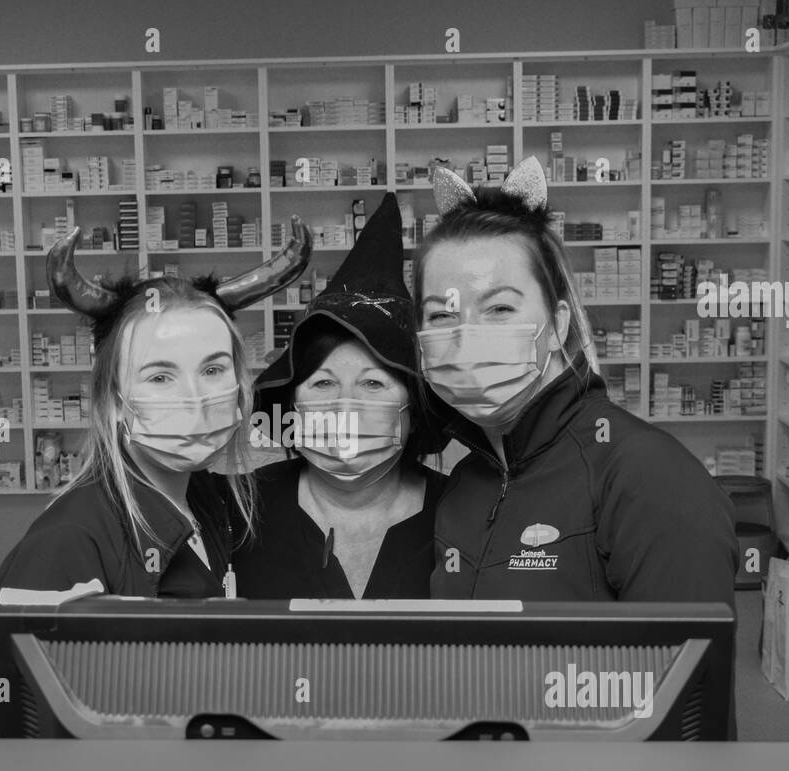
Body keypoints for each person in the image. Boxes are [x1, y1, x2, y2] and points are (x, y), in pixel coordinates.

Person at [416, 160, 739, 605]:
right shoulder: (465, 483)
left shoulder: (650, 480)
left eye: (500, 309)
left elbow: (687, 672)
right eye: (441, 315)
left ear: (557, 324)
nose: (466, 334)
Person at [0, 218, 312, 599]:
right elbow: (31, 659)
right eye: (160, 377)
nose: (195, 398)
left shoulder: (209, 500)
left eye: (212, 369)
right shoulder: (64, 546)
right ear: (112, 402)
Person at [234, 194, 447, 599]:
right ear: (292, 407)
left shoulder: (462, 514)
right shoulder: (238, 508)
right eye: (323, 383)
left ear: (414, 411)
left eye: (372, 383)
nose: (344, 407)